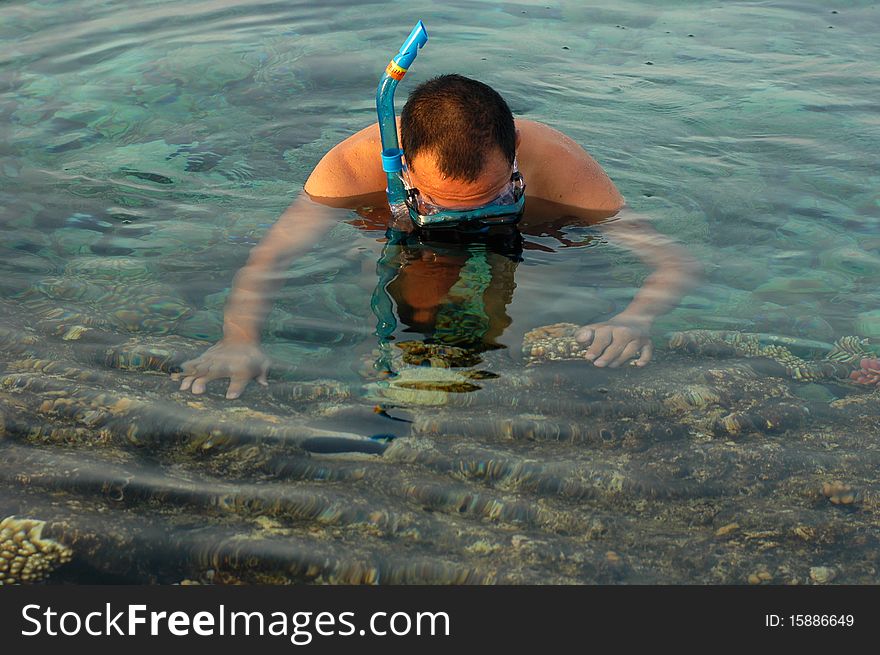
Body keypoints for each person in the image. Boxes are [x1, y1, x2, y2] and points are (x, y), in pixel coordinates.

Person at [177, 74, 701, 399]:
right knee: (414, 308)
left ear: (515, 147)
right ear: (399, 158)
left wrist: (634, 318)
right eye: (439, 199)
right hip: (406, 233)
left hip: (526, 233)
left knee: (515, 339)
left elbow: (673, 262)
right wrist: (238, 339)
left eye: (493, 191)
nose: (464, 215)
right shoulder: (349, 169)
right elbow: (269, 260)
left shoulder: (556, 161)